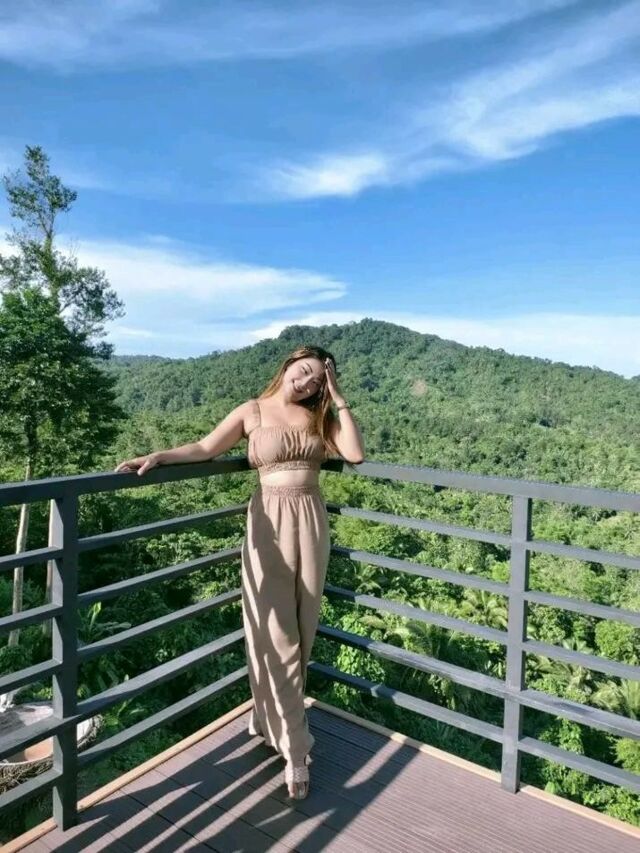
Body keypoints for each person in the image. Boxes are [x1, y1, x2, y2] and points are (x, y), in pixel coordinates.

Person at [114, 345, 365, 799]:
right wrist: (158, 456)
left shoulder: (318, 416)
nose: (306, 383)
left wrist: (338, 397)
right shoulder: (252, 411)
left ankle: (269, 719)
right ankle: (296, 750)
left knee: (303, 629)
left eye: (316, 380)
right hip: (269, 522)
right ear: (287, 365)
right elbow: (205, 448)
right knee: (277, 632)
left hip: (311, 521)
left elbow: (355, 452)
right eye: (303, 371)